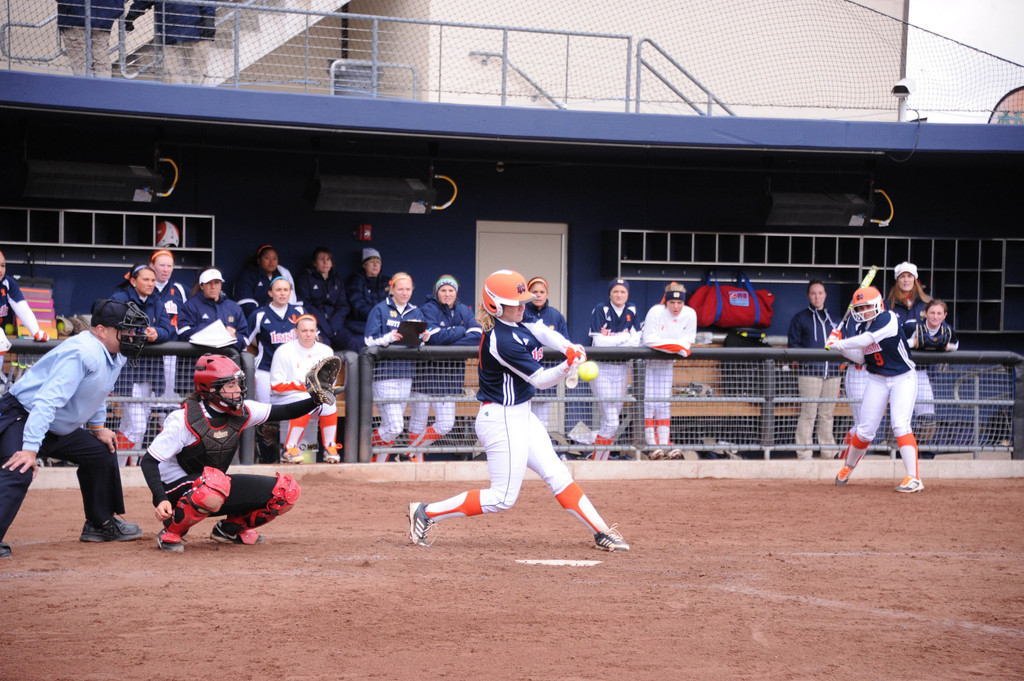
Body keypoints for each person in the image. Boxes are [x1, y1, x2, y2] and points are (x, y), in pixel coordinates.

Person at [407, 269, 629, 552]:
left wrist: (569, 347)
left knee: (557, 473)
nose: (523, 306)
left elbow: (541, 331)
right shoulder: (502, 340)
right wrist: (566, 366)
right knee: (502, 498)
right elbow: (539, 380)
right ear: (495, 306)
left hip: (522, 414)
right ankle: (425, 513)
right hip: (500, 418)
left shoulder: (521, 321)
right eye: (516, 302)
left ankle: (602, 531)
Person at [0, 299, 149, 560]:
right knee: (20, 469)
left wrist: (98, 427)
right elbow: (45, 401)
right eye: (125, 330)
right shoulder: (83, 352)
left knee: (101, 451)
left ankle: (100, 524)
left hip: (55, 425)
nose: (131, 336)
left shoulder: (116, 353)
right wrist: (30, 450)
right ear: (101, 330)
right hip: (22, 416)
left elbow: (98, 391)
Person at [140, 354, 327, 552]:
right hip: (174, 493)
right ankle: (172, 530)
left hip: (213, 486)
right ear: (210, 389)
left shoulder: (242, 411)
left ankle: (229, 530)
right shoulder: (183, 419)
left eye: (238, 383)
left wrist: (316, 399)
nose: (238, 390)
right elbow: (149, 461)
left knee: (285, 491)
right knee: (214, 483)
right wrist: (160, 499)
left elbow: (285, 412)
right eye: (230, 385)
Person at [826, 286, 923, 493]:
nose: (865, 311)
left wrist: (839, 343)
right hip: (877, 379)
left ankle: (913, 478)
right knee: (864, 429)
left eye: (869, 306)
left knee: (900, 424)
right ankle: (847, 468)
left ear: (878, 304)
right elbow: (861, 357)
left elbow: (868, 340)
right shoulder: (861, 328)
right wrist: (841, 348)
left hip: (902, 377)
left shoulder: (888, 318)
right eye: (861, 308)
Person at [408, 275, 481, 461]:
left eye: (451, 290)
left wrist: (448, 339)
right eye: (443, 290)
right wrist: (461, 330)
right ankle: (415, 461)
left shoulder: (464, 310)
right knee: (417, 422)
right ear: (437, 292)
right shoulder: (427, 308)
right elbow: (432, 337)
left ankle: (409, 452)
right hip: (426, 374)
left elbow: (477, 335)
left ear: (456, 293)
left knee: (445, 424)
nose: (447, 294)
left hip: (450, 377)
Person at [110, 264, 175, 463]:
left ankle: (122, 470)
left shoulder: (157, 301)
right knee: (138, 426)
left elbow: (168, 329)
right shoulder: (120, 299)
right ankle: (114, 466)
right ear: (133, 281)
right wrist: (141, 334)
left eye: (153, 280)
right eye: (145, 279)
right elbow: (116, 328)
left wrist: (156, 333)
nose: (150, 284)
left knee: (132, 425)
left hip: (150, 372)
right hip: (127, 371)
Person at [363, 272, 424, 462]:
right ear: (392, 289)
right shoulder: (380, 309)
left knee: (389, 424)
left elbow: (418, 342)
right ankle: (363, 444)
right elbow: (368, 340)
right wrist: (388, 338)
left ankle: (377, 466)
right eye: (400, 289)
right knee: (395, 426)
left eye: (408, 289)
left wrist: (423, 338)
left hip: (406, 373)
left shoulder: (416, 311)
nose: (404, 293)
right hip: (384, 373)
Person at [246, 277, 305, 463]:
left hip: (292, 371)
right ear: (270, 293)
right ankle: (266, 458)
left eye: (285, 290)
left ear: (290, 292)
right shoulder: (259, 314)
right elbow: (244, 342)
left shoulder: (299, 312)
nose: (282, 293)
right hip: (266, 370)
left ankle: (290, 452)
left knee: (293, 409)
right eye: (278, 290)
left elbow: (312, 338)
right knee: (266, 415)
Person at [269, 315, 341, 464]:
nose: (308, 334)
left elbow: (329, 381)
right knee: (306, 399)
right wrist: (302, 386)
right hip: (285, 395)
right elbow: (275, 386)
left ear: (316, 332)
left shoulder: (326, 350)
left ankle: (330, 447)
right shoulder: (283, 351)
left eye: (312, 331)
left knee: (328, 401)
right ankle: (289, 448)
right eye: (304, 331)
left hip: (312, 394)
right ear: (296, 331)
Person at [586, 278, 641, 460]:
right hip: (601, 368)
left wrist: (617, 339)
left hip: (621, 368)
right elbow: (599, 342)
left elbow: (636, 340)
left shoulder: (631, 309)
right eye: (615, 291)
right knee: (612, 421)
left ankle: (599, 460)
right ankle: (592, 451)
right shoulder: (601, 309)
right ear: (610, 293)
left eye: (623, 292)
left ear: (627, 294)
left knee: (610, 421)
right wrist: (623, 337)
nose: (619, 295)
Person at [787, 279, 842, 460]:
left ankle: (828, 452)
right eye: (813, 293)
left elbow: (843, 344)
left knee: (827, 414)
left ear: (825, 295)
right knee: (808, 413)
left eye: (820, 293)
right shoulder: (800, 318)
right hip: (810, 373)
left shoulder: (835, 319)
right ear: (808, 296)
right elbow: (793, 346)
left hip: (832, 373)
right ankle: (804, 452)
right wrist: (809, 359)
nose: (817, 297)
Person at [641, 282, 696, 459]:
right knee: (649, 403)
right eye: (672, 303)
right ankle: (651, 446)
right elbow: (650, 340)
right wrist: (677, 347)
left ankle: (664, 444)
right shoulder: (656, 311)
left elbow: (688, 342)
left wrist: (677, 347)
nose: (676, 306)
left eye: (679, 303)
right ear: (666, 302)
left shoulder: (690, 314)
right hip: (646, 361)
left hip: (666, 363)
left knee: (664, 403)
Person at [904, 299, 959, 446]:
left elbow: (956, 344)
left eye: (939, 313)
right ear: (925, 314)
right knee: (901, 418)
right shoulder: (912, 327)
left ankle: (919, 449)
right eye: (932, 313)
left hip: (921, 373)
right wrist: (913, 343)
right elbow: (897, 342)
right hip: (902, 374)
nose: (935, 316)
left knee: (928, 419)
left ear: (944, 315)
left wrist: (946, 347)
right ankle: (897, 453)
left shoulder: (947, 331)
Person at [124, 1, 217, 85]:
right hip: (185, 30)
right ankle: (196, 99)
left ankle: (187, 99)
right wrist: (209, 17)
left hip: (183, 30)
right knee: (192, 73)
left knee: (180, 73)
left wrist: (132, 14)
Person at [294, 246, 362, 353]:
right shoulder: (305, 279)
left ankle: (360, 370)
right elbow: (306, 305)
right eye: (321, 259)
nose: (325, 262)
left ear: (332, 263)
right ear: (315, 263)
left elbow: (343, 306)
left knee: (353, 342)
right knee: (324, 346)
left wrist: (335, 324)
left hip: (335, 325)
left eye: (328, 259)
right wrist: (323, 325)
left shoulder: (337, 280)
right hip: (316, 325)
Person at [523, 276, 569, 431]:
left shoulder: (555, 316)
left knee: (541, 423)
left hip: (546, 373)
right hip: (524, 375)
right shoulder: (520, 313)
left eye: (542, 291)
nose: (538, 295)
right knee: (523, 422)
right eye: (534, 291)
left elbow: (564, 343)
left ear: (547, 294)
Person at [177, 268, 250, 352]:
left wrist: (232, 339)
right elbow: (183, 333)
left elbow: (244, 337)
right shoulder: (190, 306)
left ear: (221, 285)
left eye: (216, 283)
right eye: (208, 283)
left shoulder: (234, 308)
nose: (213, 287)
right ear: (201, 286)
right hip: (198, 360)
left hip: (227, 361)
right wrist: (220, 330)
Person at [149, 248, 189, 400]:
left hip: (173, 348)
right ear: (152, 266)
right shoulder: (146, 287)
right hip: (150, 349)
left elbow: (189, 315)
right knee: (151, 394)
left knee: (170, 394)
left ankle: (164, 421)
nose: (165, 270)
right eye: (161, 265)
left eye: (169, 266)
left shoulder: (179, 290)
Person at [57, 0, 126, 78]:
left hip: (74, 16)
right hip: (103, 16)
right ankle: (103, 88)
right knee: (101, 61)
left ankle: (85, 88)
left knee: (80, 62)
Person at [0, 249, 50, 343]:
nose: (0, 270)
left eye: (3, 266)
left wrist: (35, 331)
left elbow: (21, 307)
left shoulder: (8, 283)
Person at [234, 245, 297, 319]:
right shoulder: (248, 276)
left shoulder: (282, 274)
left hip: (281, 318)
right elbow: (246, 304)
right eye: (267, 258)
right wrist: (265, 317)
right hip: (257, 318)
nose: (271, 262)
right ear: (258, 260)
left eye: (274, 258)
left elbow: (291, 300)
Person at [345, 248, 389, 338]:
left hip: (385, 323)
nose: (375, 265)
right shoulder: (356, 281)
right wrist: (379, 316)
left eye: (378, 262)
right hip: (362, 324)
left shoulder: (387, 282)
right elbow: (358, 306)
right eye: (372, 262)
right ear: (364, 265)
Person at [887, 261, 931, 327]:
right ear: (897, 281)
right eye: (902, 276)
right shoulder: (887, 303)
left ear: (914, 280)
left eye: (909, 276)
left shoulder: (927, 302)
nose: (906, 280)